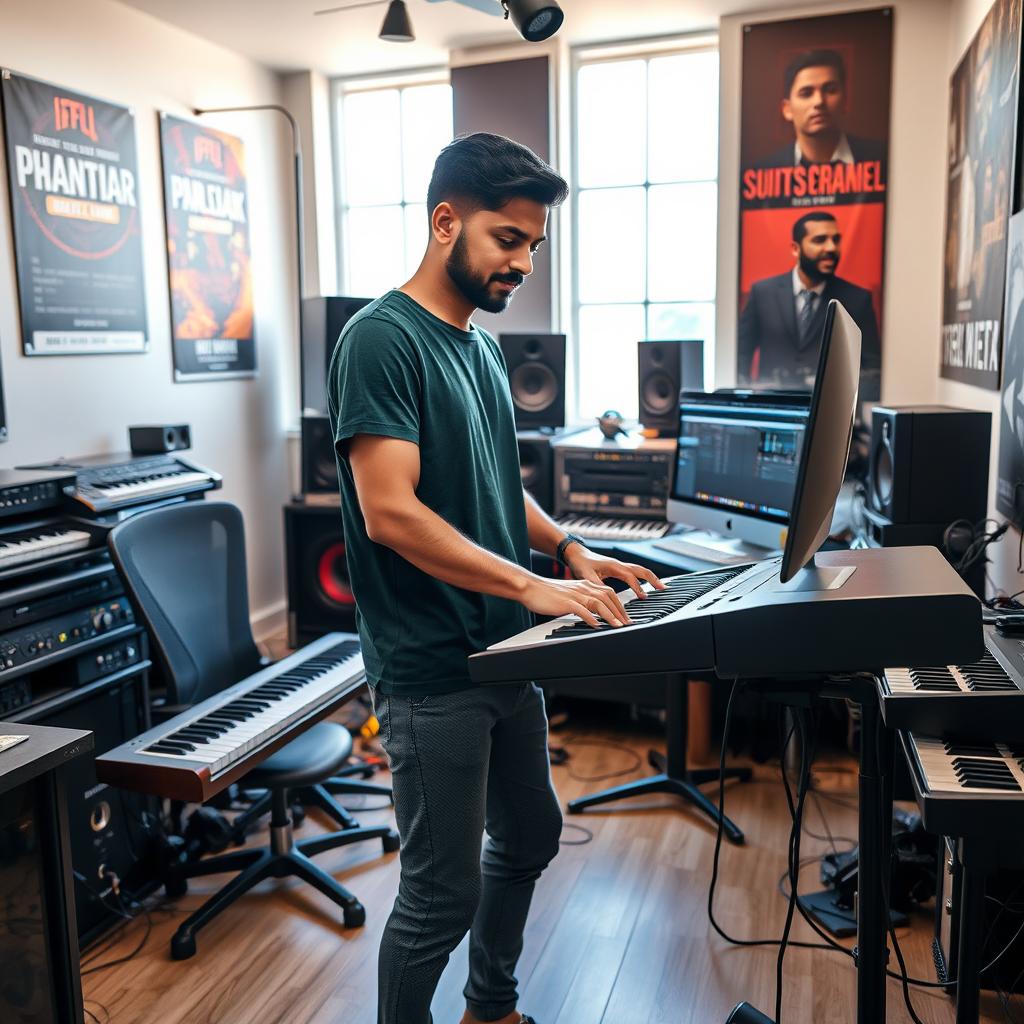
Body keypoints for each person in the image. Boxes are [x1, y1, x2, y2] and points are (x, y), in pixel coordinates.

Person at [327, 132, 664, 1024]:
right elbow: (389, 511)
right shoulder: (379, 340)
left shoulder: (476, 347)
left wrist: (568, 548)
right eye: (506, 239)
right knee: (440, 895)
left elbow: (493, 482)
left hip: (504, 655)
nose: (522, 262)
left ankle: (492, 1007)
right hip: (432, 670)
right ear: (446, 222)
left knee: (531, 835)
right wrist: (527, 586)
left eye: (533, 246)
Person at [737, 210, 881, 399]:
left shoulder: (857, 299)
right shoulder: (762, 293)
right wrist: (745, 399)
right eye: (820, 240)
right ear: (796, 248)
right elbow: (740, 355)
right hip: (771, 411)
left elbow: (873, 370)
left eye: (836, 239)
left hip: (829, 415)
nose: (831, 247)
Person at [755, 49, 886, 168]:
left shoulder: (884, 159)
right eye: (806, 93)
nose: (819, 101)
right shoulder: (762, 172)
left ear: (845, 101)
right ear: (787, 109)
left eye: (830, 90)